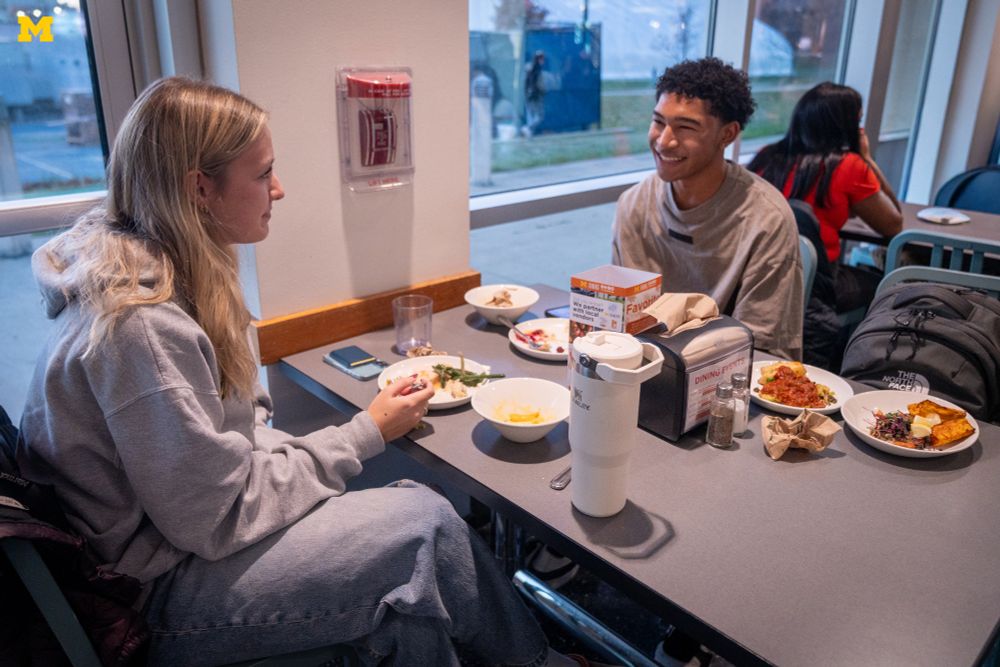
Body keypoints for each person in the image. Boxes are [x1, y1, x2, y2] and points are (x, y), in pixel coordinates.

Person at [15, 77, 594, 667]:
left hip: (174, 541)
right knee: (424, 524)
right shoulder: (139, 327)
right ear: (200, 190)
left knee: (405, 623)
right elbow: (217, 518)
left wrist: (316, 458)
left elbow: (222, 450)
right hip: (148, 595)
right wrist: (365, 432)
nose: (280, 189)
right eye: (264, 173)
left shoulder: (170, 274)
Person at [612, 57, 803, 360]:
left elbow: (763, 347)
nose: (664, 141)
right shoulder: (635, 204)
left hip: (727, 375)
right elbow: (625, 320)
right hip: (644, 370)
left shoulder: (766, 219)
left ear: (727, 134)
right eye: (658, 122)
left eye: (685, 127)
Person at [747, 81, 902, 313]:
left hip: (758, 274)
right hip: (814, 283)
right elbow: (893, 225)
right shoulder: (848, 165)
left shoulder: (766, 157)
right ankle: (849, 347)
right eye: (857, 121)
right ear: (844, 125)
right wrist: (866, 158)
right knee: (885, 286)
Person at [523, 51, 547, 137]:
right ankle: (528, 128)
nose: (543, 60)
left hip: (528, 95)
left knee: (531, 115)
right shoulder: (536, 69)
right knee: (539, 116)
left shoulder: (528, 67)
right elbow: (539, 84)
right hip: (535, 96)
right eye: (541, 58)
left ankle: (529, 132)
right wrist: (543, 91)